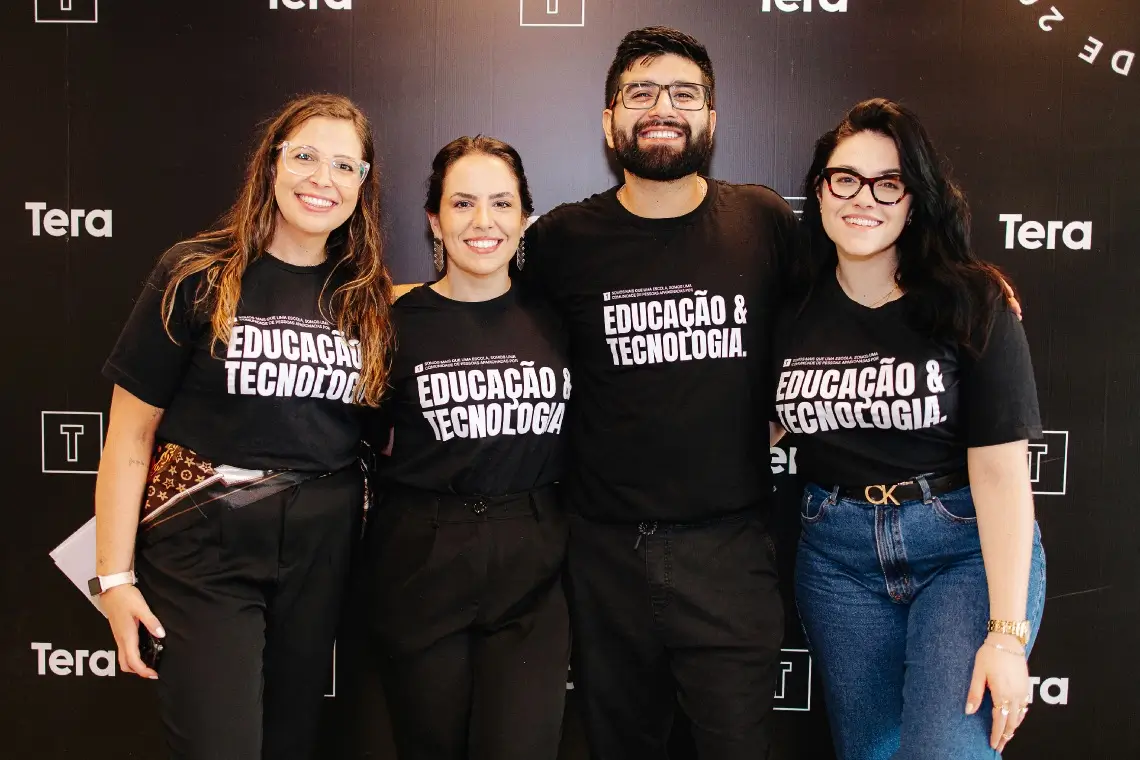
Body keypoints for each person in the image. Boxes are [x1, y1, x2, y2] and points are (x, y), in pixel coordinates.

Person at [92, 93, 394, 760]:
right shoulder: (196, 272)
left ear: (364, 186)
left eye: (346, 166)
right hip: (206, 544)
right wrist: (112, 580)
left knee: (290, 743)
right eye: (306, 157)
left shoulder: (366, 297)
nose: (324, 179)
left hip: (321, 546)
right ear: (272, 164)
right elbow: (128, 437)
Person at [522, 27, 794, 759]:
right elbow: (477, 314)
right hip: (604, 555)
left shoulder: (764, 221)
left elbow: (852, 302)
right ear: (609, 120)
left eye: (684, 93)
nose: (662, 108)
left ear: (713, 116)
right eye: (640, 92)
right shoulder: (562, 238)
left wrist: (957, 283)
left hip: (731, 550)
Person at [771, 98, 1047, 759]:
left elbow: (1004, 475)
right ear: (819, 189)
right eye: (845, 179)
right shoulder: (790, 311)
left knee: (942, 751)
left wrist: (1007, 636)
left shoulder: (971, 301)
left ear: (914, 199)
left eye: (888, 183)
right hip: (838, 562)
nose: (863, 199)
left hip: (961, 551)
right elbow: (756, 428)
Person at [362, 136, 571, 760]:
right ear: (434, 219)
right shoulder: (391, 321)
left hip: (534, 557)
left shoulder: (561, 319)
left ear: (526, 217)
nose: (484, 222)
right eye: (463, 204)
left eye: (502, 203)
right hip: (420, 553)